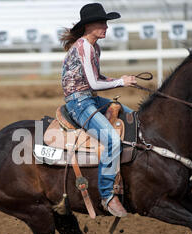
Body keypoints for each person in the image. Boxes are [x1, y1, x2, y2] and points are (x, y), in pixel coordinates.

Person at [61, 3, 137, 218]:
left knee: (131, 116)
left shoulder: (94, 47)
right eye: (102, 23)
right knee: (111, 138)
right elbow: (94, 83)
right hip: (79, 102)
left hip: (89, 99)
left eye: (106, 22)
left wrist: (121, 80)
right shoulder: (84, 46)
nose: (106, 26)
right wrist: (121, 81)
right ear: (89, 26)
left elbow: (97, 79)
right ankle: (107, 195)